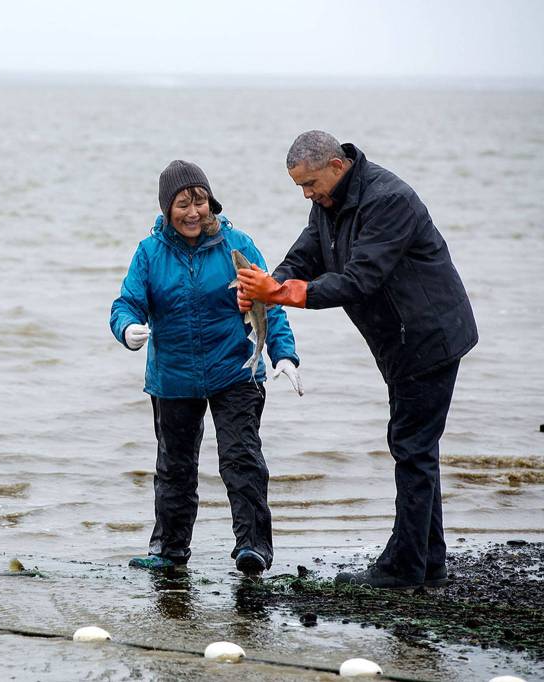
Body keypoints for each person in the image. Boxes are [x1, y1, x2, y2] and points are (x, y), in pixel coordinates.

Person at [236, 131, 477, 590]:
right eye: (300, 188)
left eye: (310, 184)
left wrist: (282, 293)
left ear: (336, 165)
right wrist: (269, 286)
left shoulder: (389, 200)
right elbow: (306, 254)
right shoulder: (329, 202)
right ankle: (429, 560)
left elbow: (359, 279)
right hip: (400, 340)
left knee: (411, 447)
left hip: (429, 336)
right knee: (417, 447)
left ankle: (405, 566)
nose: (308, 194)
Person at [110, 160, 302, 576]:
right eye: (182, 203)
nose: (192, 212)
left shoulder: (237, 245)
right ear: (167, 210)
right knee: (174, 468)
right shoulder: (149, 253)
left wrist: (283, 354)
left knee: (241, 458)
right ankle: (169, 550)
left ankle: (253, 547)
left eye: (199, 201)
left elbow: (269, 302)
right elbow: (126, 303)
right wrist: (127, 329)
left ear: (211, 203)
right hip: (173, 377)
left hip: (235, 369)